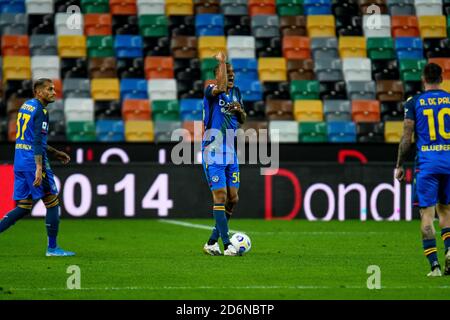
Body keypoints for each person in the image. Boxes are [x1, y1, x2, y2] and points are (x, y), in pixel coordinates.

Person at [0, 78, 75, 257]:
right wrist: (39, 167)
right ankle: (53, 248)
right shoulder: (41, 111)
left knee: (24, 206)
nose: (54, 92)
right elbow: (37, 141)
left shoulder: (26, 106)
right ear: (38, 92)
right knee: (52, 202)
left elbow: (30, 138)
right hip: (32, 162)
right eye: (49, 89)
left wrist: (55, 152)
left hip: (19, 159)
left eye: (54, 89)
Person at [396, 63, 450, 276]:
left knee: (427, 215)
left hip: (427, 164)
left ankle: (435, 266)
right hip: (449, 160)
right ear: (442, 78)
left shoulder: (414, 102)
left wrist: (399, 164)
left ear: (423, 78)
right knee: (446, 211)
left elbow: (406, 137)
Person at [201, 52, 246, 256]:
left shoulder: (236, 92)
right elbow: (219, 87)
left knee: (233, 198)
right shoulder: (211, 90)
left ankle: (212, 242)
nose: (232, 76)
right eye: (228, 73)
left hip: (230, 153)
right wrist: (221, 62)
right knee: (220, 196)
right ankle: (227, 244)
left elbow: (242, 118)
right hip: (213, 151)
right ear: (219, 75)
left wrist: (239, 110)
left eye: (233, 72)